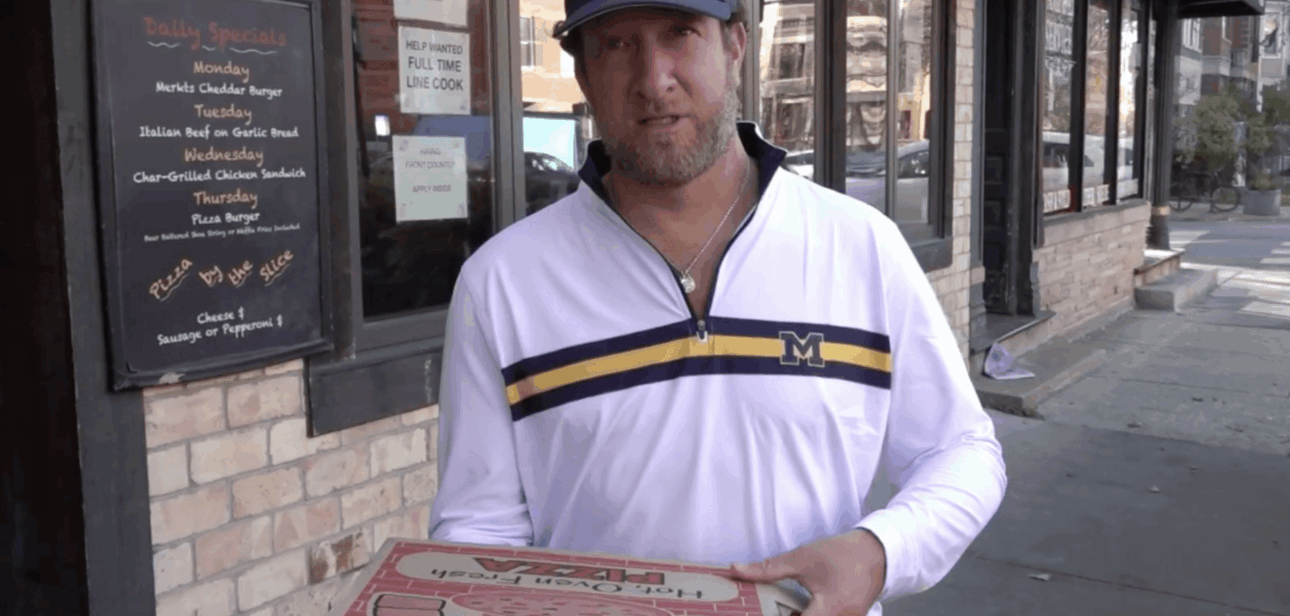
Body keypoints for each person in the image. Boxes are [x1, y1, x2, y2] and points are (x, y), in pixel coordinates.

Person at [428, 0, 1008, 614]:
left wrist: (881, 551)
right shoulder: (502, 283)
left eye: (680, 33)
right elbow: (479, 532)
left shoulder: (860, 246)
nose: (654, 79)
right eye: (619, 44)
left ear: (734, 45)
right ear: (583, 73)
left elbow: (960, 450)